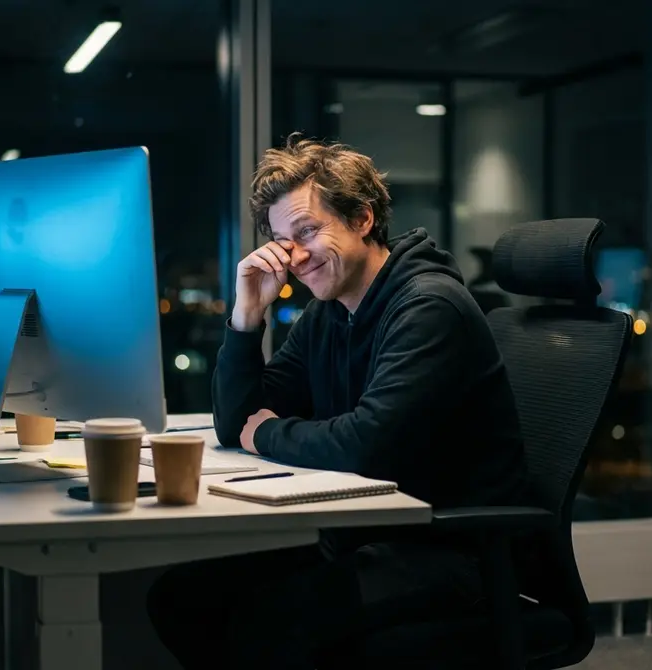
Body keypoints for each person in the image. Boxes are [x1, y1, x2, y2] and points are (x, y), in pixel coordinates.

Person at [147, 135, 527, 669]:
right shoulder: (330, 311)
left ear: (363, 218)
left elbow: (363, 446)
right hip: (364, 533)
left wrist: (268, 432)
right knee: (181, 597)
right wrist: (246, 317)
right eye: (283, 241)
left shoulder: (428, 307)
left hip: (447, 548)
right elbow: (237, 422)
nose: (295, 257)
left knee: (267, 625)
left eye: (307, 231)